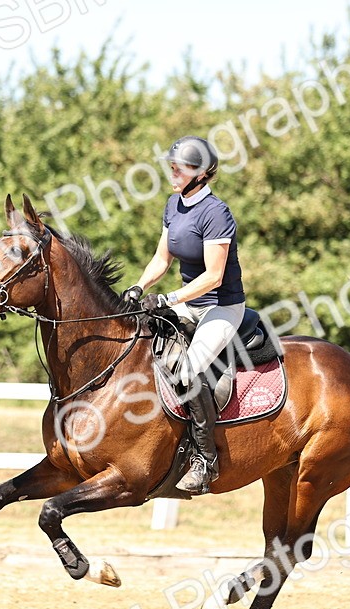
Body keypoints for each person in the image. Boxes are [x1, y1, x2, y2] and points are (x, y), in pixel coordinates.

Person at [121, 135, 246, 494]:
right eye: (172, 165)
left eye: (182, 167)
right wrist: (139, 287)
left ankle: (205, 461)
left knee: (186, 371)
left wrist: (168, 298)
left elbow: (213, 276)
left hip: (221, 307)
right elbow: (162, 259)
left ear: (203, 174)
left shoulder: (216, 213)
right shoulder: (174, 205)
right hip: (186, 303)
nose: (173, 170)